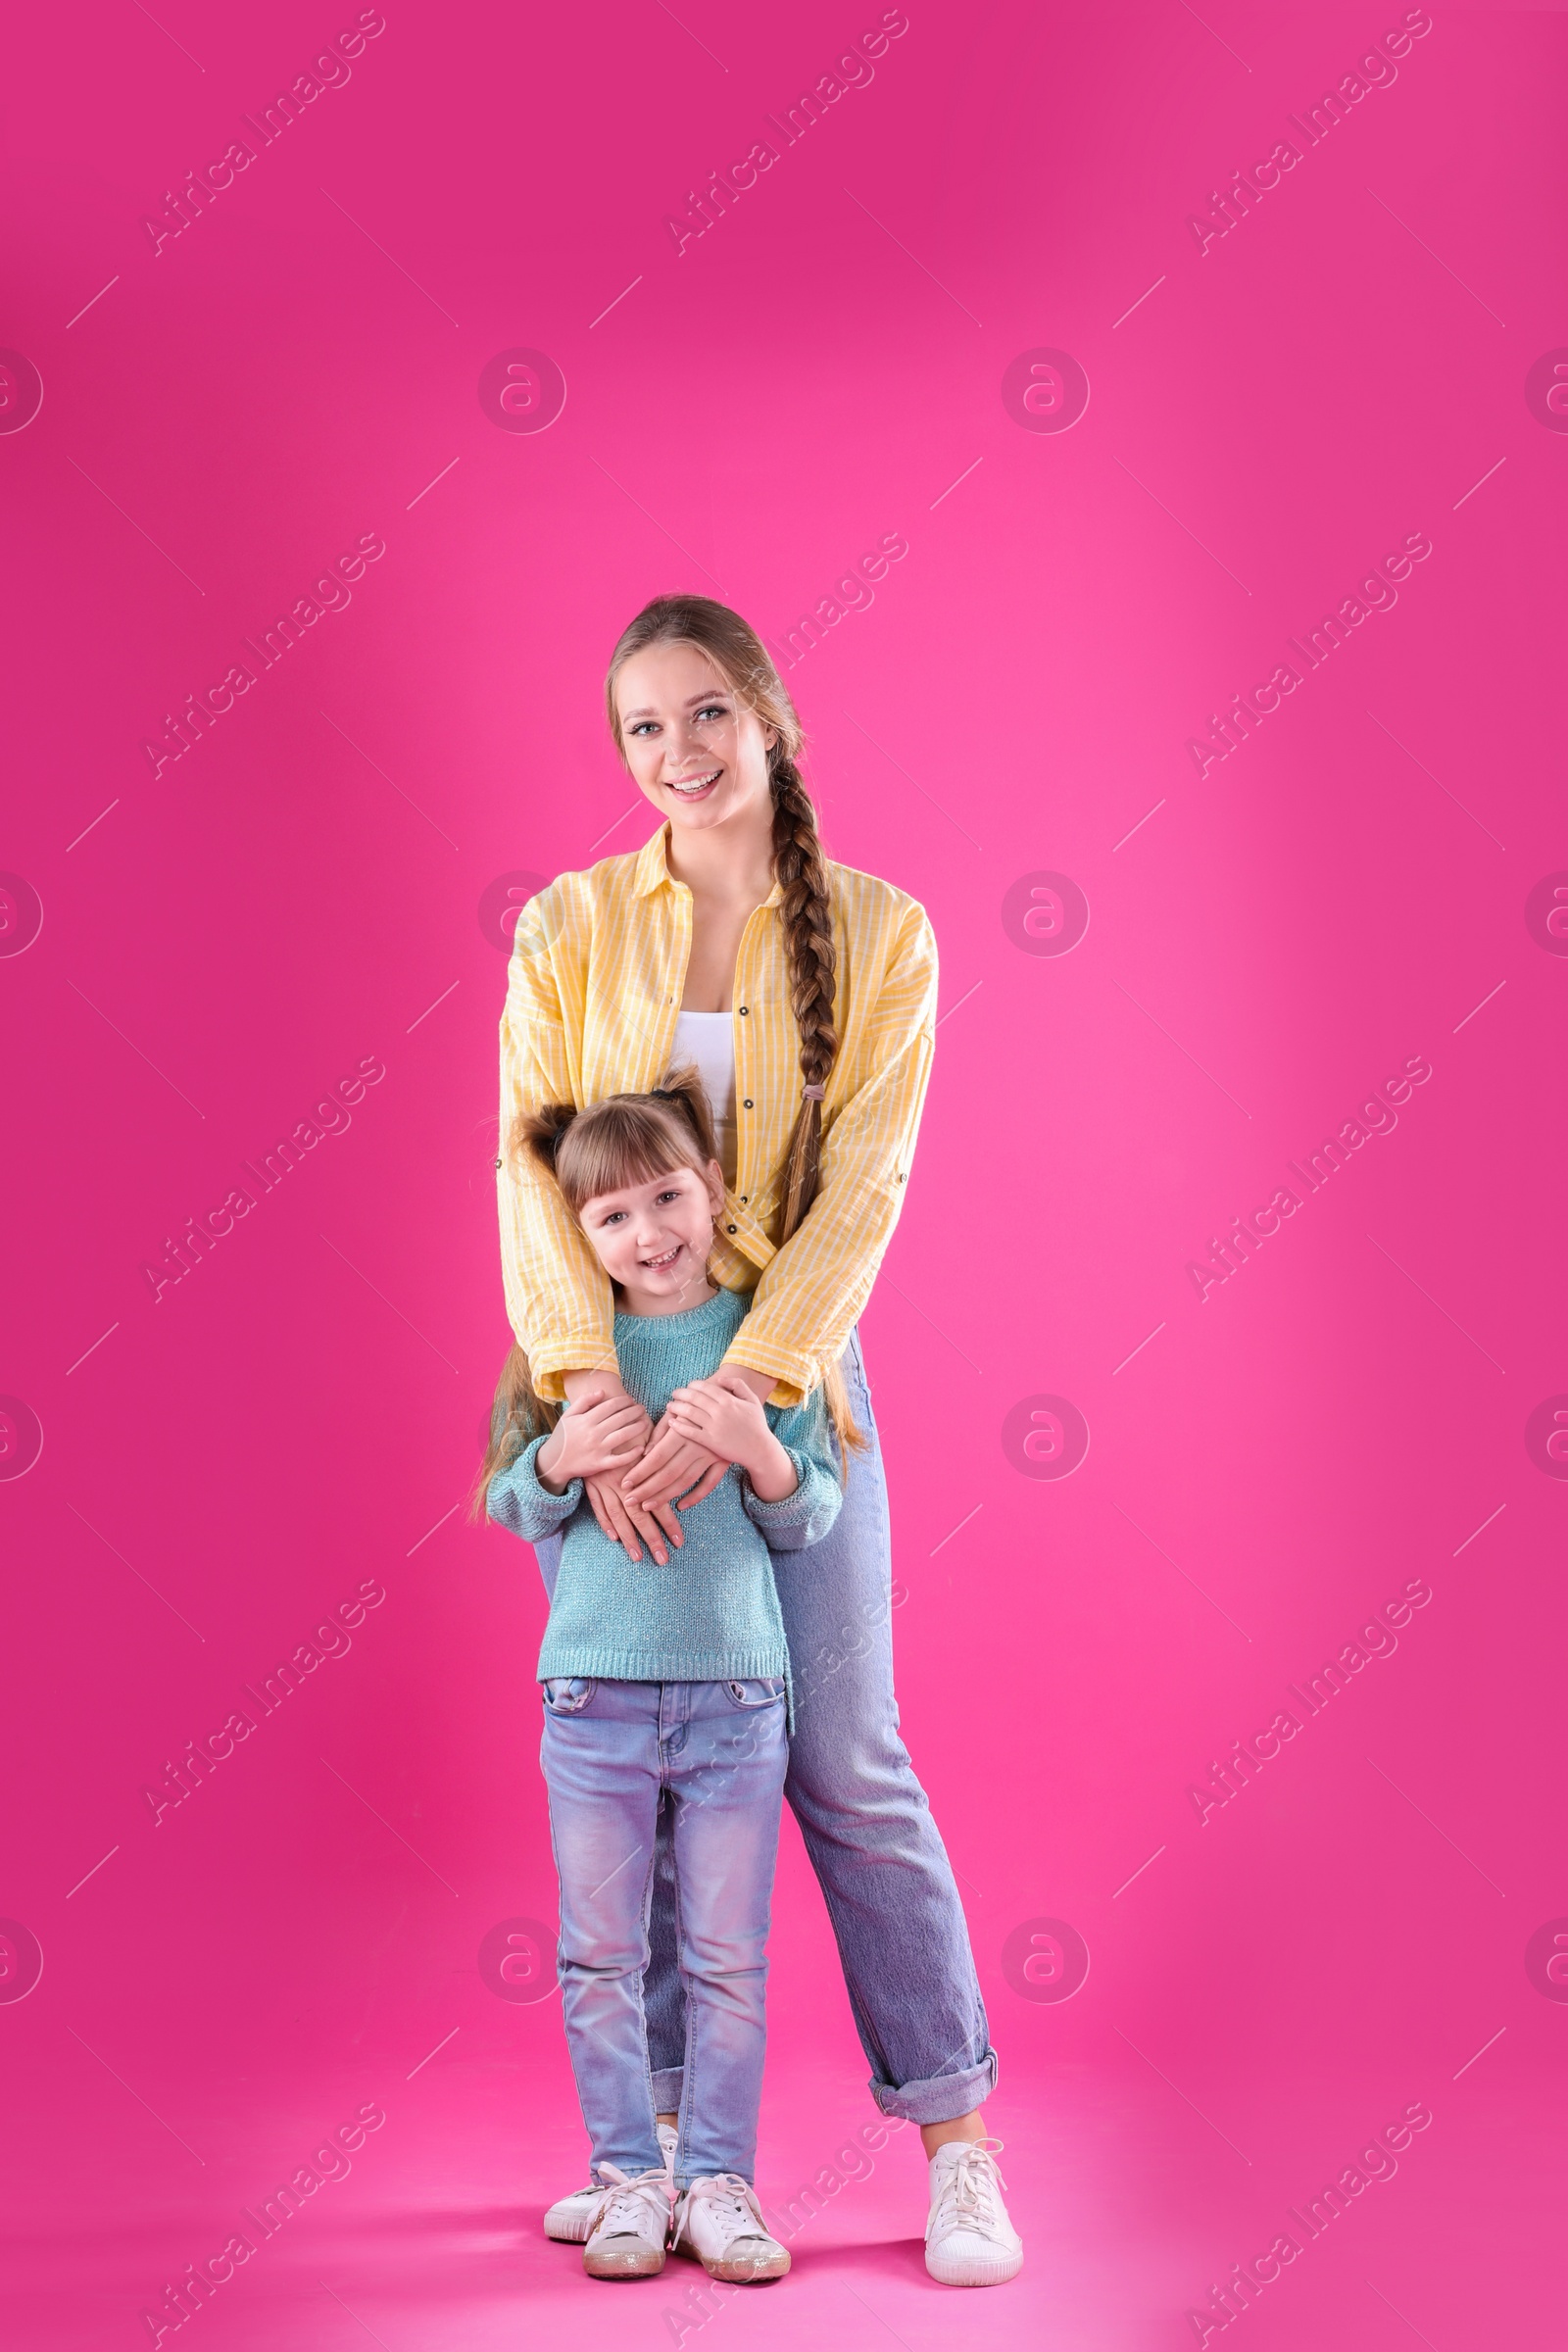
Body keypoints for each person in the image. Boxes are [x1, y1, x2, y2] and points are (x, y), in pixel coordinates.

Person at [491, 593, 1022, 2287]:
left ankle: (957, 2145)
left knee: (842, 1761)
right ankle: (650, 2162)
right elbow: (521, 1171)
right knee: (645, 1765)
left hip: (790, 1409)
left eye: (705, 713)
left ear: (771, 715)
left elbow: (864, 1188)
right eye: (642, 728)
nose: (678, 754)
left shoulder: (885, 933)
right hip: (612, 1409)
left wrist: (754, 1397)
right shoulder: (569, 924)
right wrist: (592, 1395)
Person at [480, 1070, 844, 2283]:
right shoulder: (564, 1353)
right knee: (601, 1955)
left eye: (667, 1196)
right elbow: (506, 1499)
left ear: (715, 1189)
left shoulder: (764, 1340)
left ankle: (719, 2184)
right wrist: (557, 1459)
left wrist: (763, 1460)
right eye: (611, 1217)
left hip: (738, 1698)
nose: (649, 1234)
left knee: (730, 1955)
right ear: (576, 1236)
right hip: (592, 1699)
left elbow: (813, 1518)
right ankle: (626, 2174)